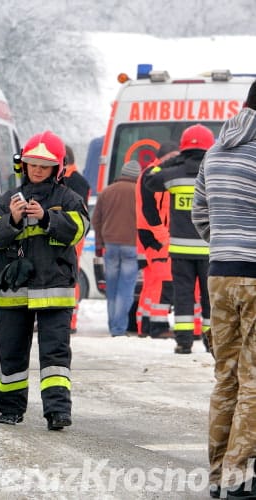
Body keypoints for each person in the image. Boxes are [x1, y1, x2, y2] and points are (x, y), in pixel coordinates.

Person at [0, 131, 88, 431]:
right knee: (12, 352)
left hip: (55, 292)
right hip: (15, 293)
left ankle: (57, 411)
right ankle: (11, 409)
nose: (37, 170)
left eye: (44, 165)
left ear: (57, 168)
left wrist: (47, 219)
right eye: (32, 164)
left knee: (55, 355)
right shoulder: (7, 200)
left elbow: (79, 229)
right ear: (23, 165)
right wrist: (11, 221)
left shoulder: (69, 199)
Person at [193, 81, 256, 498]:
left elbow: (201, 213)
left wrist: (224, 241)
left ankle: (217, 475)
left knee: (226, 377)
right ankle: (239, 477)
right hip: (255, 274)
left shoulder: (215, 152)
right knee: (254, 380)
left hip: (219, 272)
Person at [146, 124, 215, 354]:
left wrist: (170, 162)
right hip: (209, 249)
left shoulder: (173, 175)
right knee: (209, 298)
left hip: (180, 249)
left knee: (183, 294)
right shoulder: (214, 173)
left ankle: (184, 342)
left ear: (183, 148)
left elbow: (150, 179)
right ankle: (210, 341)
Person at [92, 160, 140, 337]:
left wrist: (99, 242)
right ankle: (119, 329)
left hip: (110, 245)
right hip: (132, 246)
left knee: (111, 287)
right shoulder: (140, 192)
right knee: (126, 289)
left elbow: (96, 220)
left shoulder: (107, 191)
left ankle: (113, 325)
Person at [135, 142, 178, 338]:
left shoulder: (151, 173)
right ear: (166, 156)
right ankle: (158, 326)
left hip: (150, 233)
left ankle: (144, 324)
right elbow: (149, 207)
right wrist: (162, 234)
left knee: (152, 282)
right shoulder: (154, 174)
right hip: (156, 234)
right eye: (175, 156)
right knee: (163, 281)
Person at [62, 145, 91, 334]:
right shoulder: (78, 180)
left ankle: (70, 319)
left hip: (71, 235)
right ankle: (68, 318)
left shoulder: (73, 180)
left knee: (70, 274)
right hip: (73, 234)